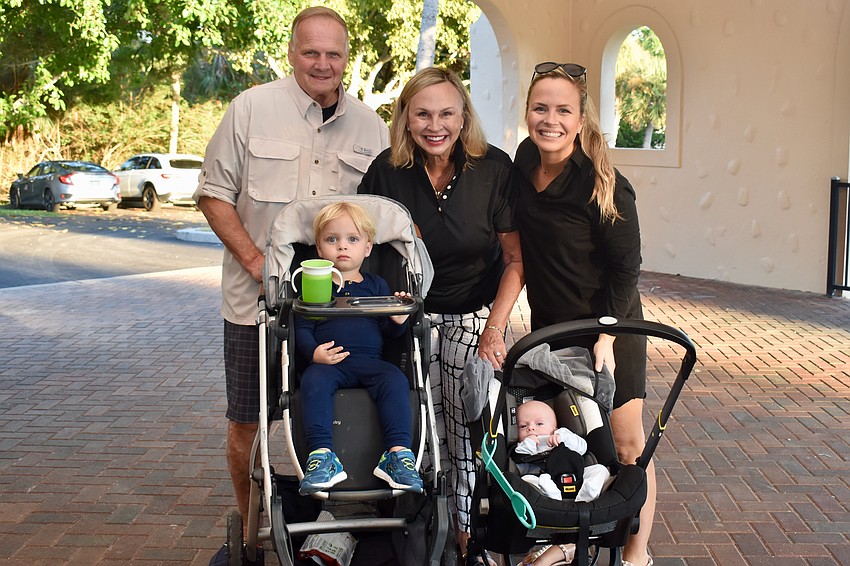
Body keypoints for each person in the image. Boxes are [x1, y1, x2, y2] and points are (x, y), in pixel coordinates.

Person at [193, 7, 389, 564]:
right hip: (257, 305)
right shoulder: (251, 109)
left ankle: (338, 514)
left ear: (346, 58)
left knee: (345, 404)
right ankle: (253, 528)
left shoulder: (371, 126)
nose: (323, 64)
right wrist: (257, 262)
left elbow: (386, 213)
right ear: (292, 52)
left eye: (334, 54)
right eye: (312, 52)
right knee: (248, 421)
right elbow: (212, 193)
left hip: (342, 313)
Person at [357, 66, 523, 562]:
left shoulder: (493, 168)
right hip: (406, 316)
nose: (436, 124)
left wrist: (494, 330)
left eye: (447, 113)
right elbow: (363, 251)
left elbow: (515, 260)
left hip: (475, 314)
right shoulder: (386, 170)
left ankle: (470, 535)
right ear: (406, 118)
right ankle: (419, 528)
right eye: (423, 113)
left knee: (467, 426)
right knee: (414, 426)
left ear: (464, 115)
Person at [513, 62, 652, 566]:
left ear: (581, 118)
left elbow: (626, 269)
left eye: (563, 110)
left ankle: (636, 553)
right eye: (540, 108)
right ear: (527, 112)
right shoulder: (524, 161)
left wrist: (607, 338)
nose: (550, 119)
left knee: (626, 441)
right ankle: (574, 538)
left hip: (609, 331)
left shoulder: (604, 184)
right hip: (552, 327)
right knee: (576, 434)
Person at [295, 202, 423, 495]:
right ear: (319, 249)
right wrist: (314, 353)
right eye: (332, 240)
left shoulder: (377, 286)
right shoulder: (316, 286)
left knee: (395, 379)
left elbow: (391, 333)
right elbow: (302, 328)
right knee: (312, 379)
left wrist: (398, 316)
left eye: (352, 239)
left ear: (367, 248)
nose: (342, 246)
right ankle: (322, 455)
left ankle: (398, 455)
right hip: (330, 363)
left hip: (370, 362)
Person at [514, 400, 609, 502]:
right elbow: (520, 467)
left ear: (554, 427)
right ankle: (552, 497)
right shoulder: (523, 446)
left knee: (601, 470)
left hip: (577, 474)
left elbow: (582, 448)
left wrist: (562, 438)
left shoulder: (562, 434)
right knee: (526, 480)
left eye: (539, 423)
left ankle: (588, 494)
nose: (531, 428)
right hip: (544, 479)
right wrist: (529, 444)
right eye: (523, 426)